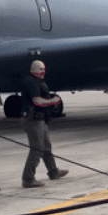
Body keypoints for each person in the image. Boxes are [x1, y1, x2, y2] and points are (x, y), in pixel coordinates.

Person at [21, 60, 68, 188]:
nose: (43, 73)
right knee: (37, 149)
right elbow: (37, 101)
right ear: (34, 70)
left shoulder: (39, 81)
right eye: (40, 70)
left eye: (43, 70)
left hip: (40, 119)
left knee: (46, 147)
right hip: (33, 120)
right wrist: (53, 101)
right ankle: (28, 178)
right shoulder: (30, 82)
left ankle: (53, 172)